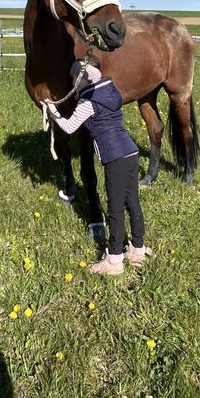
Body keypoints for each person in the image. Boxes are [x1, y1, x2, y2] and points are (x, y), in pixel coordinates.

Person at [44, 56, 151, 275]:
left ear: (82, 78)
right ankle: (137, 250)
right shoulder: (111, 92)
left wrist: (53, 111)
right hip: (131, 152)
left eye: (75, 78)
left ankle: (113, 260)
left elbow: (70, 127)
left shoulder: (88, 103)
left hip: (115, 158)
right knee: (132, 203)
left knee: (114, 209)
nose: (73, 82)